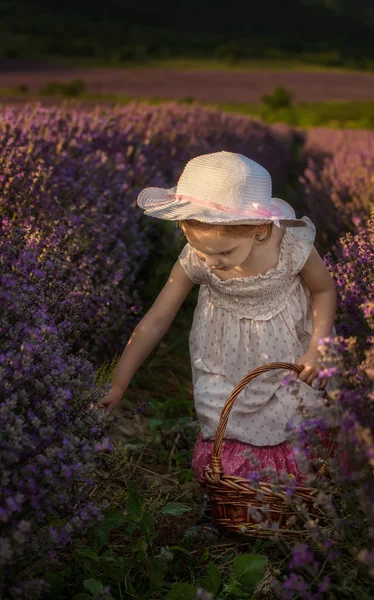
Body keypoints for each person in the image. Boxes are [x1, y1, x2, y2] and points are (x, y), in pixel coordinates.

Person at [100, 151, 349, 538]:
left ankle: (293, 504)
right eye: (201, 250)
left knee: (291, 419)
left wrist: (318, 345)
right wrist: (119, 382)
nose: (212, 262)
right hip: (221, 355)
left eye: (225, 253)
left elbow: (324, 289)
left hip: (286, 352)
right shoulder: (197, 259)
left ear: (259, 229)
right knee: (222, 421)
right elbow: (157, 319)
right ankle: (224, 500)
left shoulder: (291, 248)